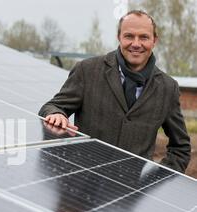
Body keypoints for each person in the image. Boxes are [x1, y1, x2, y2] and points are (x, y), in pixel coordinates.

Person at [38, 10, 191, 173]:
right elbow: (53, 106)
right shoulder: (87, 71)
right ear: (119, 38)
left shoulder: (167, 88)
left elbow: (180, 148)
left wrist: (153, 183)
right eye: (129, 36)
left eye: (144, 37)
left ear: (154, 40)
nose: (136, 44)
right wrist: (56, 113)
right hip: (80, 183)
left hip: (132, 193)